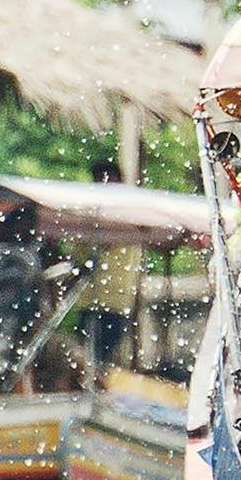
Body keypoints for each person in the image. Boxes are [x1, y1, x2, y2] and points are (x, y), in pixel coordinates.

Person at [81, 158, 143, 373]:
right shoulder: (90, 213)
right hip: (89, 302)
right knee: (87, 361)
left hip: (116, 302)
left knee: (100, 360)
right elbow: (78, 256)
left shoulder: (133, 212)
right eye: (100, 181)